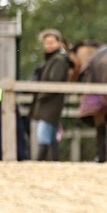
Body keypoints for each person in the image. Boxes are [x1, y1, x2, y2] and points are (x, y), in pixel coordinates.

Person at [29, 29, 70, 161]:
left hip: (50, 103)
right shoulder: (52, 60)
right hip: (49, 103)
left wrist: (41, 95)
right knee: (51, 136)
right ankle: (53, 161)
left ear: (58, 43)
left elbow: (54, 82)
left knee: (43, 134)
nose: (49, 45)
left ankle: (39, 161)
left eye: (52, 42)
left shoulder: (58, 60)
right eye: (47, 43)